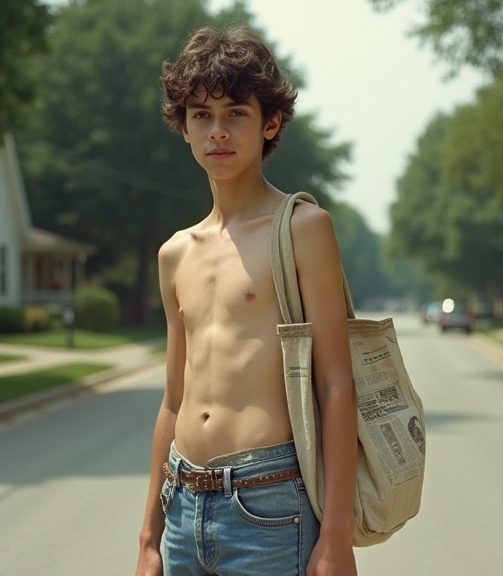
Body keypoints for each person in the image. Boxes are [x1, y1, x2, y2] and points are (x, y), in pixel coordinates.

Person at [134, 26, 358, 576]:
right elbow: (173, 400)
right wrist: (148, 539)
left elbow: (336, 385)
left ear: (270, 123)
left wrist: (335, 538)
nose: (219, 131)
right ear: (184, 127)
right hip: (182, 509)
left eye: (236, 113)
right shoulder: (175, 253)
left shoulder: (303, 228)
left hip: (270, 508)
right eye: (202, 115)